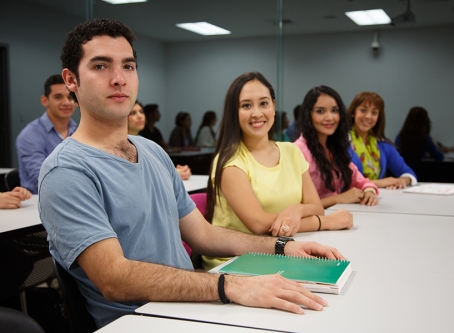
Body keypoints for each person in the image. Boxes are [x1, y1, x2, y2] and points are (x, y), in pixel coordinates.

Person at [39, 18, 345, 329]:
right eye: (101, 66)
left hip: (191, 305)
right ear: (71, 80)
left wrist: (283, 247)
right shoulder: (66, 171)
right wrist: (231, 285)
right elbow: (115, 279)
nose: (119, 78)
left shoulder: (152, 151)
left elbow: (204, 235)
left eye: (128, 66)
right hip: (143, 321)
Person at [203, 72, 353, 271]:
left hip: (281, 249)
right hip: (234, 262)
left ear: (273, 106)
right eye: (246, 105)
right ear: (234, 112)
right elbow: (258, 224)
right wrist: (325, 222)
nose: (257, 113)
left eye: (263, 103)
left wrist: (296, 209)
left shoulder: (291, 151)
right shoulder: (230, 162)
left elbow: (315, 205)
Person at [294, 86, 379, 208]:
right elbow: (296, 206)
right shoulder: (298, 151)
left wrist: (369, 190)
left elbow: (360, 180)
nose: (330, 117)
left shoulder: (335, 148)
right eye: (320, 111)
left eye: (334, 110)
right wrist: (338, 199)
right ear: (308, 115)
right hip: (311, 224)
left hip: (336, 219)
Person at [15, 74, 78, 193]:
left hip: (73, 196)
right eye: (58, 97)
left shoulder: (78, 131)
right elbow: (43, 178)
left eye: (70, 97)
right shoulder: (29, 135)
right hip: (39, 203)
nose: (66, 102)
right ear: (45, 100)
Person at [347, 92, 417, 189]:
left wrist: (399, 182)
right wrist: (380, 183)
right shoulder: (341, 143)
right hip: (347, 202)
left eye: (374, 113)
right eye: (363, 110)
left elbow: (409, 174)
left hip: (375, 200)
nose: (368, 116)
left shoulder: (383, 144)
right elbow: (342, 183)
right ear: (353, 112)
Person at [129, 101, 191, 179]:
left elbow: (153, 166)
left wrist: (175, 171)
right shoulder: (123, 143)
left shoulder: (142, 139)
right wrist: (173, 173)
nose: (140, 116)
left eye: (141, 112)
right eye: (133, 113)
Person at [395, 107, 450, 175]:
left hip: (401, 172)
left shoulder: (400, 136)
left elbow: (398, 154)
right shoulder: (424, 138)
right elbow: (439, 157)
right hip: (418, 173)